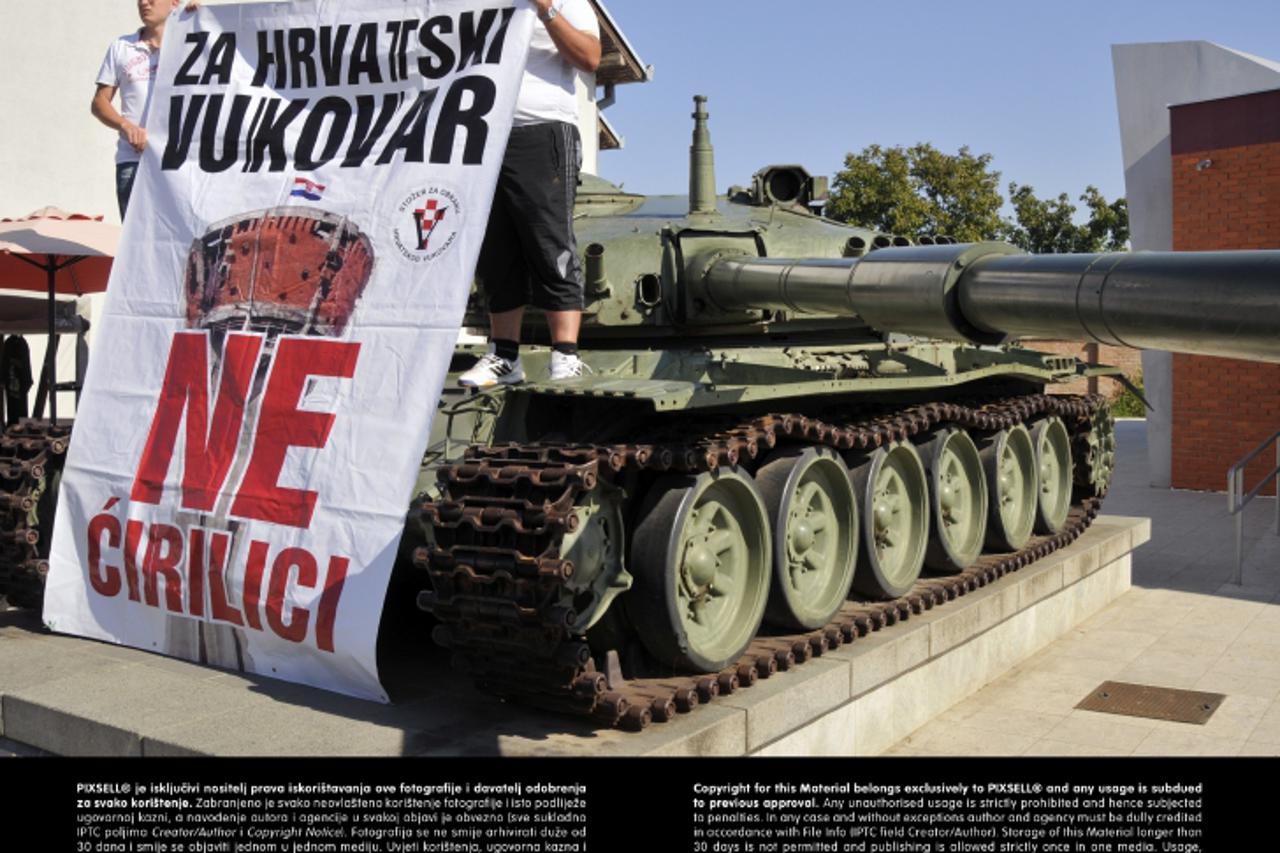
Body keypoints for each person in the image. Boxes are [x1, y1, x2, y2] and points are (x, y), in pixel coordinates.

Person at [459, 0, 602, 387]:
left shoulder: (569, 2)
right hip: (484, 134)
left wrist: (546, 9)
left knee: (549, 242)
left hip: (543, 130)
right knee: (495, 252)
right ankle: (504, 356)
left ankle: (566, 355)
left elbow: (590, 57)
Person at [91, 0, 184, 219]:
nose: (144, 2)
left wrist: (200, 19)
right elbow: (99, 103)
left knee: (182, 243)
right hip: (133, 160)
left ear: (174, 2)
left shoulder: (190, 43)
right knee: (136, 244)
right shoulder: (122, 47)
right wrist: (125, 126)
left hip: (177, 161)